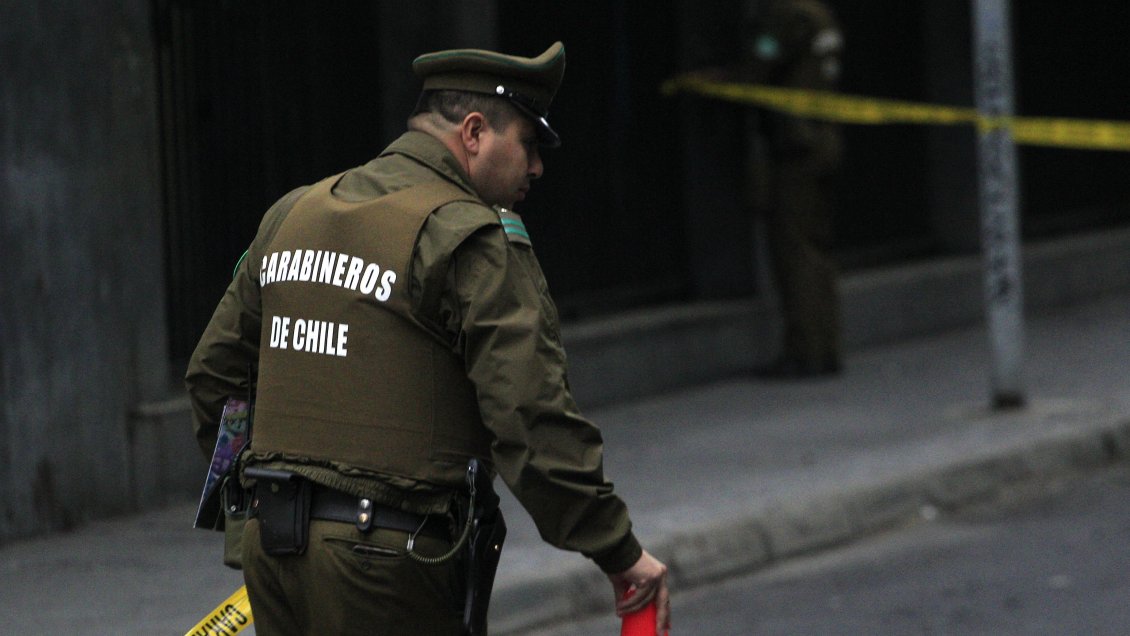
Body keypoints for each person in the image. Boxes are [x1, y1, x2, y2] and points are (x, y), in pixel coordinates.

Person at [185, 41, 670, 635]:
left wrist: (250, 507)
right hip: (388, 562)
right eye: (528, 143)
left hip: (273, 550)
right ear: (474, 132)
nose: (537, 167)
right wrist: (618, 551)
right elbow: (530, 417)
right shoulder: (469, 238)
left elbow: (214, 377)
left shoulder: (292, 214)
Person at [743, 0, 845, 377]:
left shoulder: (788, 13)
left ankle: (805, 351)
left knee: (795, 252)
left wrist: (727, 76)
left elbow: (760, 63)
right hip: (822, 139)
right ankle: (824, 346)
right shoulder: (820, 11)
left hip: (796, 147)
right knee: (817, 250)